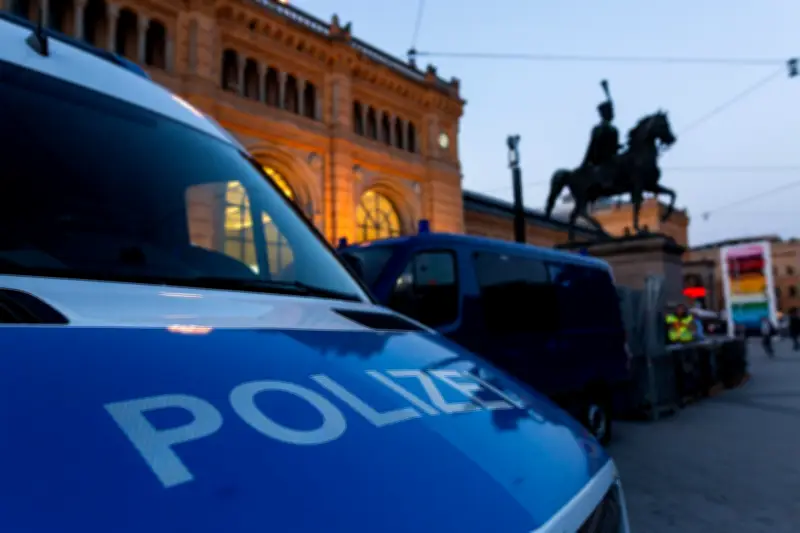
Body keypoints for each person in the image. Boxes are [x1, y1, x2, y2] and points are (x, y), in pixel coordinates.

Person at [581, 81, 621, 191]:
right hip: (599, 162)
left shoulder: (614, 130)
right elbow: (592, 146)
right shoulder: (598, 129)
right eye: (611, 112)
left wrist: (619, 147)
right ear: (604, 114)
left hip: (612, 160)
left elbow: (615, 147)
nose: (613, 114)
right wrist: (584, 164)